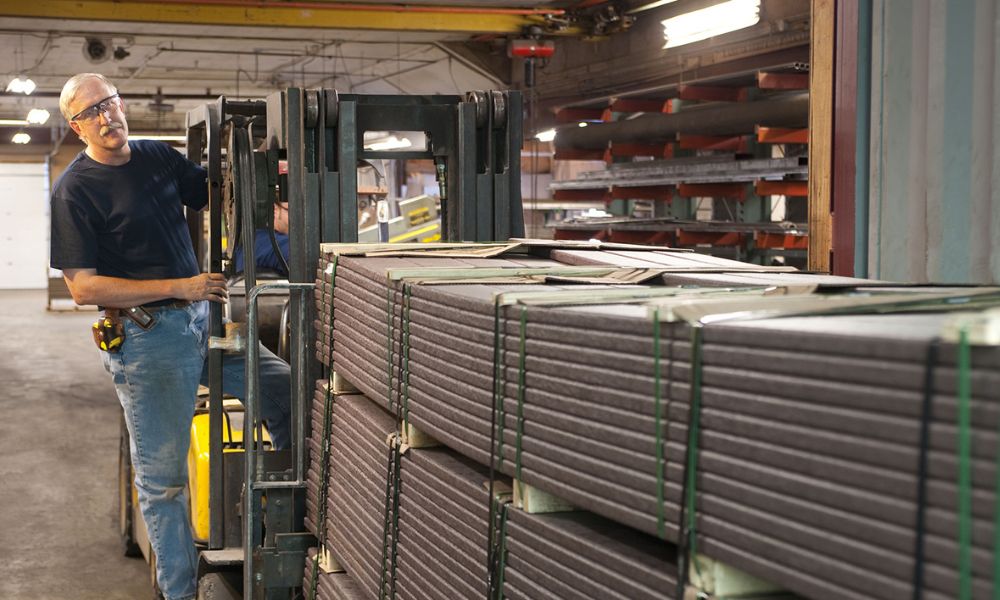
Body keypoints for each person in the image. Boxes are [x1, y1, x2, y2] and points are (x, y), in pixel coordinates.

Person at [49, 73, 291, 600]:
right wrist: (182, 286)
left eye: (108, 103)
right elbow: (83, 288)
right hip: (149, 339)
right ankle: (179, 593)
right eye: (90, 113)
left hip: (201, 324)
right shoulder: (75, 190)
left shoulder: (156, 156)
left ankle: (286, 523)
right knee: (164, 483)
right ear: (76, 127)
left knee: (284, 390)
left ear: (121, 103)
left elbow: (217, 193)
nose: (105, 117)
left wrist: (269, 193)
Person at [232, 201, 290, 277]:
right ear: (275, 210)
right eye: (296, 211)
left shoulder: (256, 239)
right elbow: (300, 259)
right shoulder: (271, 242)